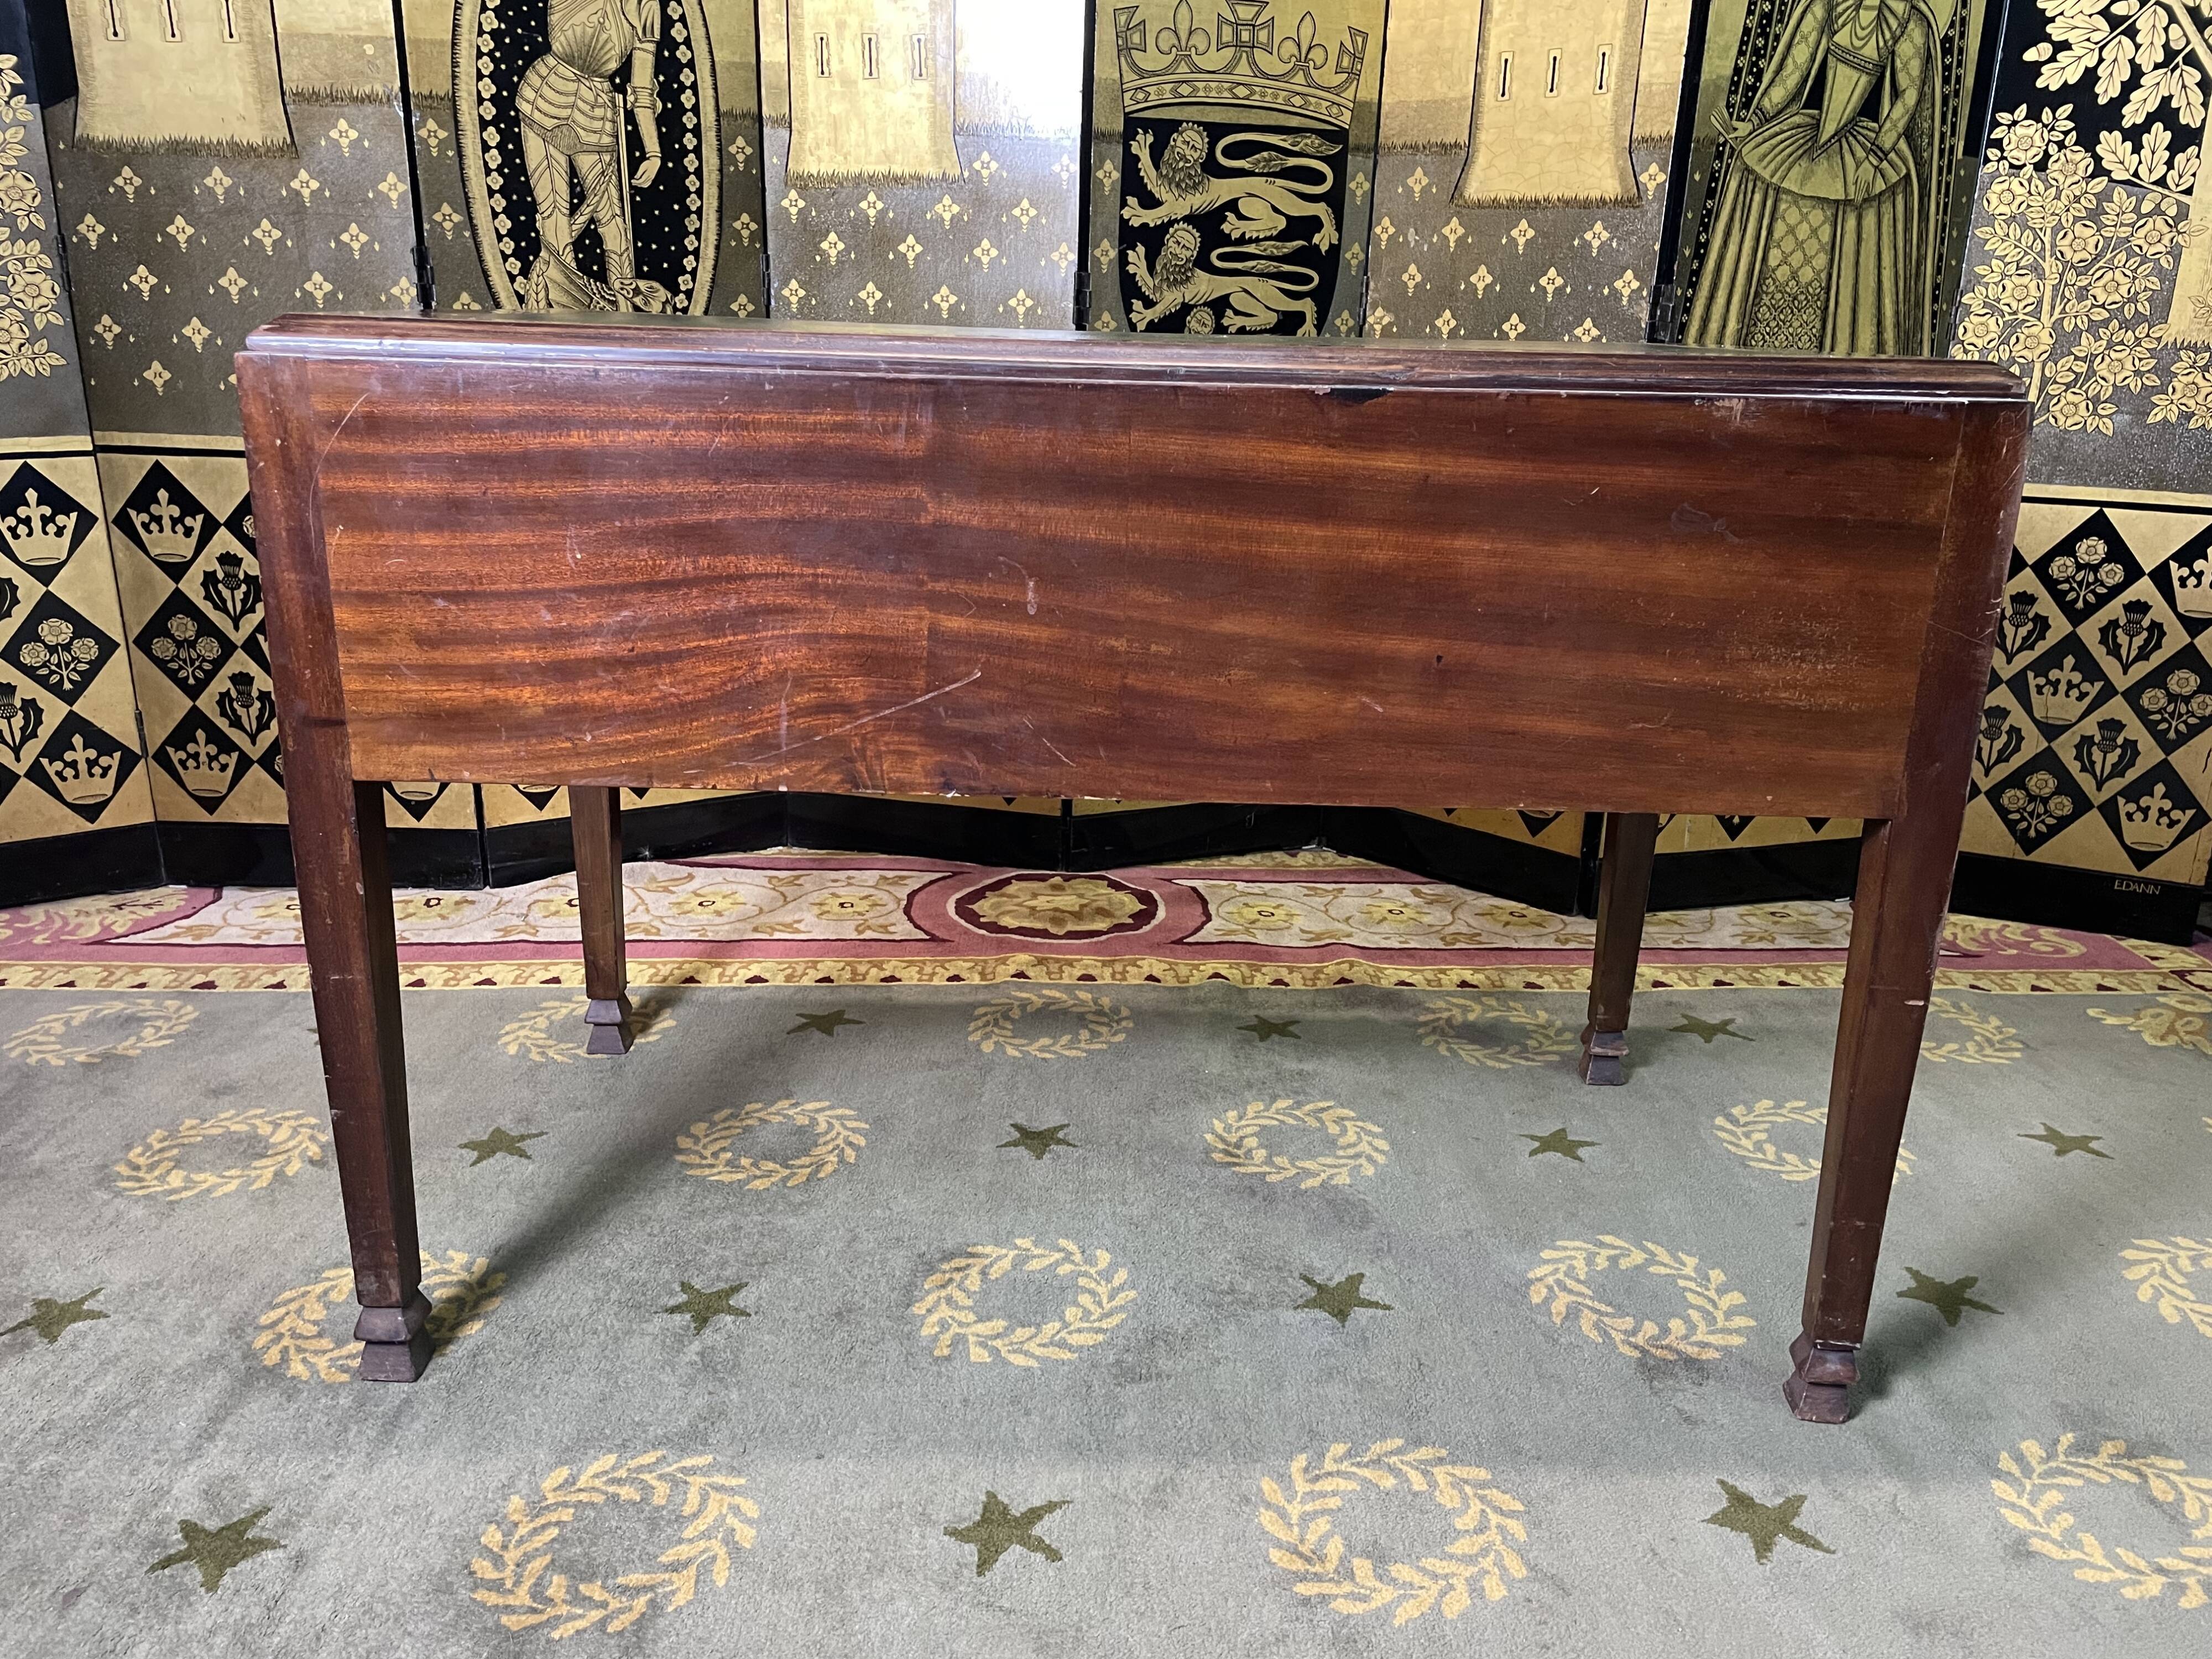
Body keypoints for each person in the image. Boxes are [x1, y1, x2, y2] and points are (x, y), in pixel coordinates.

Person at [1685, 0, 1947, 356]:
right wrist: (1756, 121)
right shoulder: (1827, 6)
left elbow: (1909, 96)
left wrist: (1876, 158)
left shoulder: (1907, 21)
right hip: (1806, 137)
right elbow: (1794, 70)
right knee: (1759, 174)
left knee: (1862, 208)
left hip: (1869, 147)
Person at [514, 0, 671, 312]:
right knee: (554, 215)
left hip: (596, 111)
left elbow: (641, 88)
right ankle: (559, 316)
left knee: (613, 224)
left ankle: (627, 320)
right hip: (543, 95)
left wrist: (653, 152)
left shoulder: (647, 6)